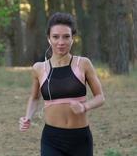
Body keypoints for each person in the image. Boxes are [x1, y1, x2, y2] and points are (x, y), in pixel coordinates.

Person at [19, 12, 105, 156]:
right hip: (51, 139)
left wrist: (84, 107)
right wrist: (27, 117)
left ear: (73, 38)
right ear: (48, 39)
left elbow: (100, 97)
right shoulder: (39, 68)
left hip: (80, 138)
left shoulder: (83, 64)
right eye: (55, 37)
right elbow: (34, 98)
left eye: (66, 36)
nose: (61, 42)